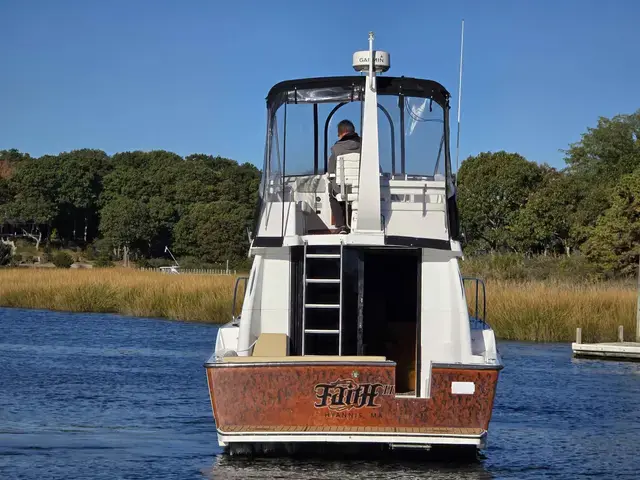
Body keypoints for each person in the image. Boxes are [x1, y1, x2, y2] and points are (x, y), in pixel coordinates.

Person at [327, 119, 361, 233]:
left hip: (344, 189)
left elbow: (331, 173)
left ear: (342, 133)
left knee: (332, 190)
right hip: (363, 189)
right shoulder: (366, 146)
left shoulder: (336, 149)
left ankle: (341, 226)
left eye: (338, 134)